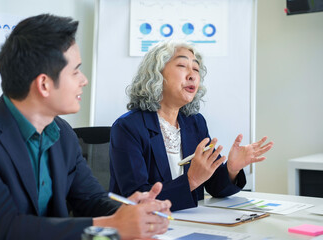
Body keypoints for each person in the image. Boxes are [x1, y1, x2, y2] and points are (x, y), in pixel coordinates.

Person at [0, 14, 171, 240]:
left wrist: (130, 211)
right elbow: (3, 229)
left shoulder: (62, 133)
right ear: (44, 84)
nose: (84, 80)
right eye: (75, 71)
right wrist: (114, 225)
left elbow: (91, 200)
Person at [109, 41, 274, 211]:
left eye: (196, 69)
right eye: (182, 65)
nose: (192, 75)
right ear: (156, 74)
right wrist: (191, 181)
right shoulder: (128, 127)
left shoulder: (195, 122)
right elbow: (138, 199)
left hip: (190, 223)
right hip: (146, 227)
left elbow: (216, 187)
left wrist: (232, 169)